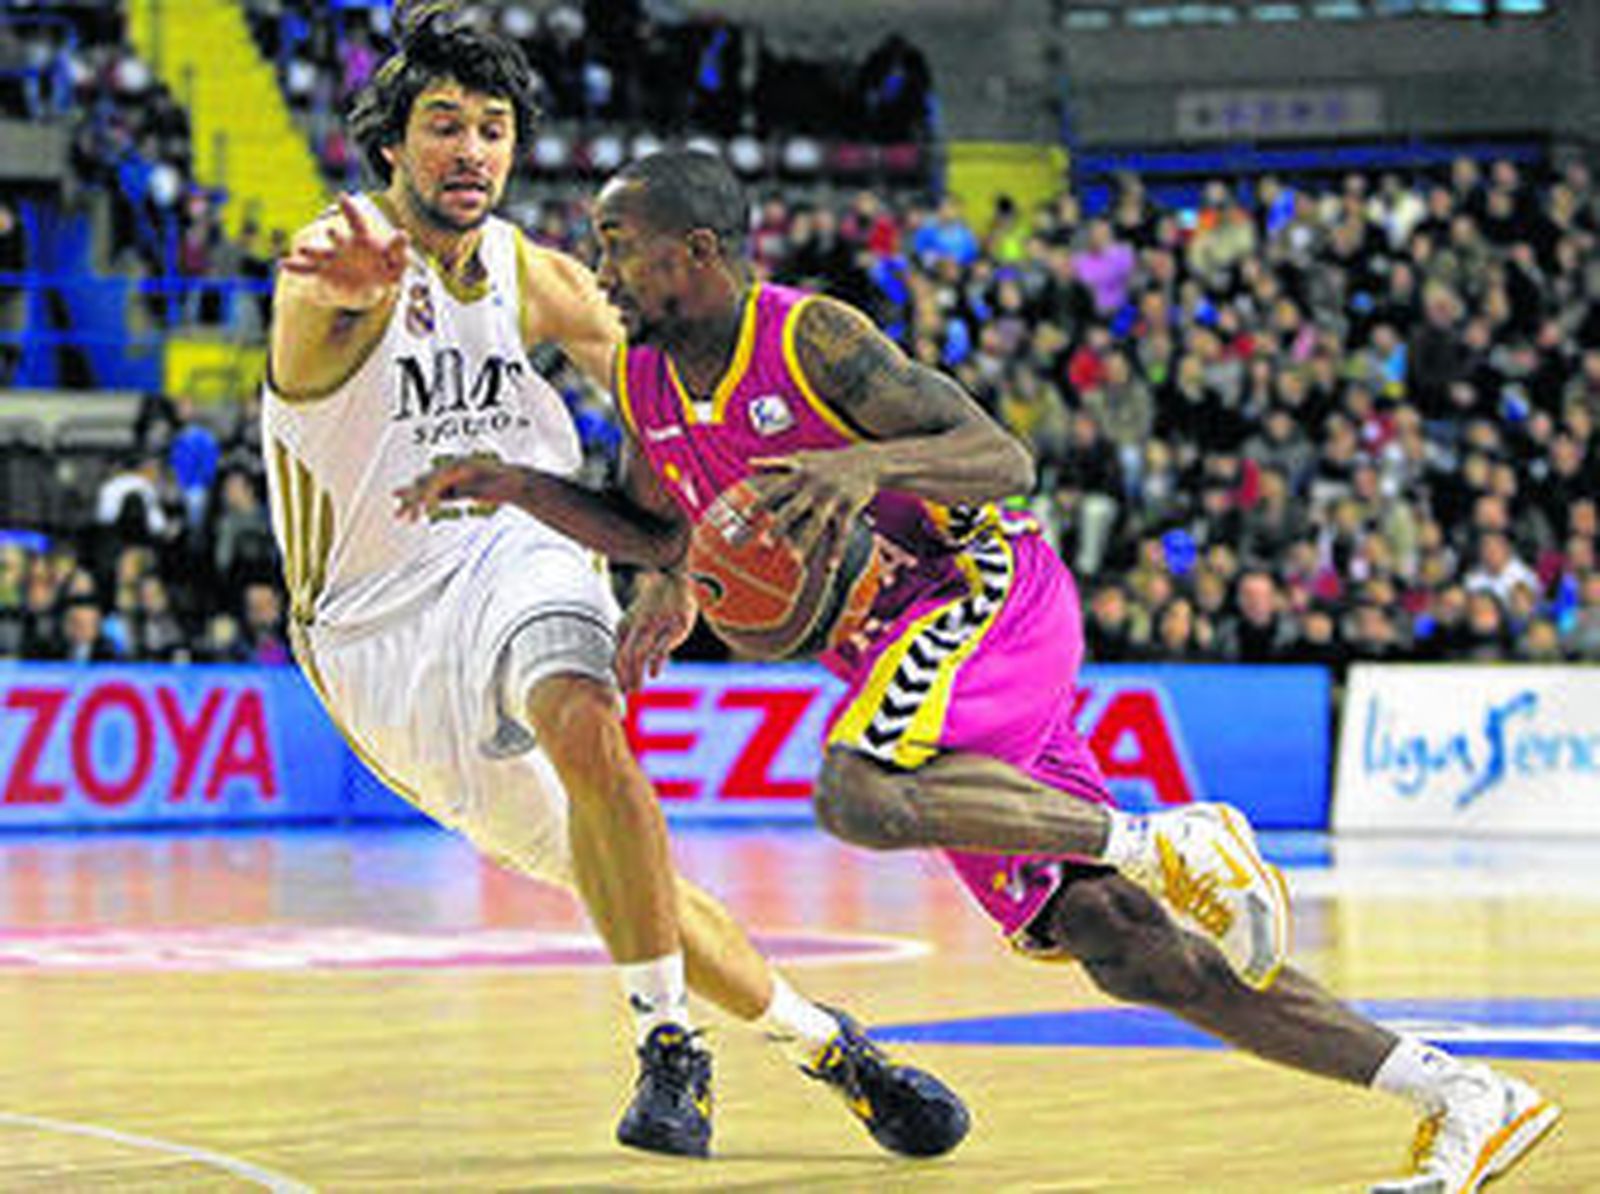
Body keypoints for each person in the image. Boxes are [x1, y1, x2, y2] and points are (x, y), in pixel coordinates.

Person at [399, 149, 1560, 1193]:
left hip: (980, 588)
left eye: (618, 243)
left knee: (854, 791)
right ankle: (1460, 1096)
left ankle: (1169, 840)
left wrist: (866, 470)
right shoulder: (648, 384)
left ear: (695, 251)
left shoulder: (812, 339)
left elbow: (999, 458)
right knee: (1123, 947)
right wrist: (517, 487)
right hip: (894, 640)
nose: (599, 267)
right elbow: (661, 534)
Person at [265, 8, 965, 1162]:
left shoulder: (524, 270)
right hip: (374, 630)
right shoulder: (338, 260)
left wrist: (676, 555)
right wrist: (337, 287)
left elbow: (666, 381)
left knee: (587, 727)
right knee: (631, 889)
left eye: (491, 129)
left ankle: (664, 1048)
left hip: (519, 539)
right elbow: (313, 306)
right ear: (391, 144)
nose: (471, 151)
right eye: (442, 125)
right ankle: (825, 1045)